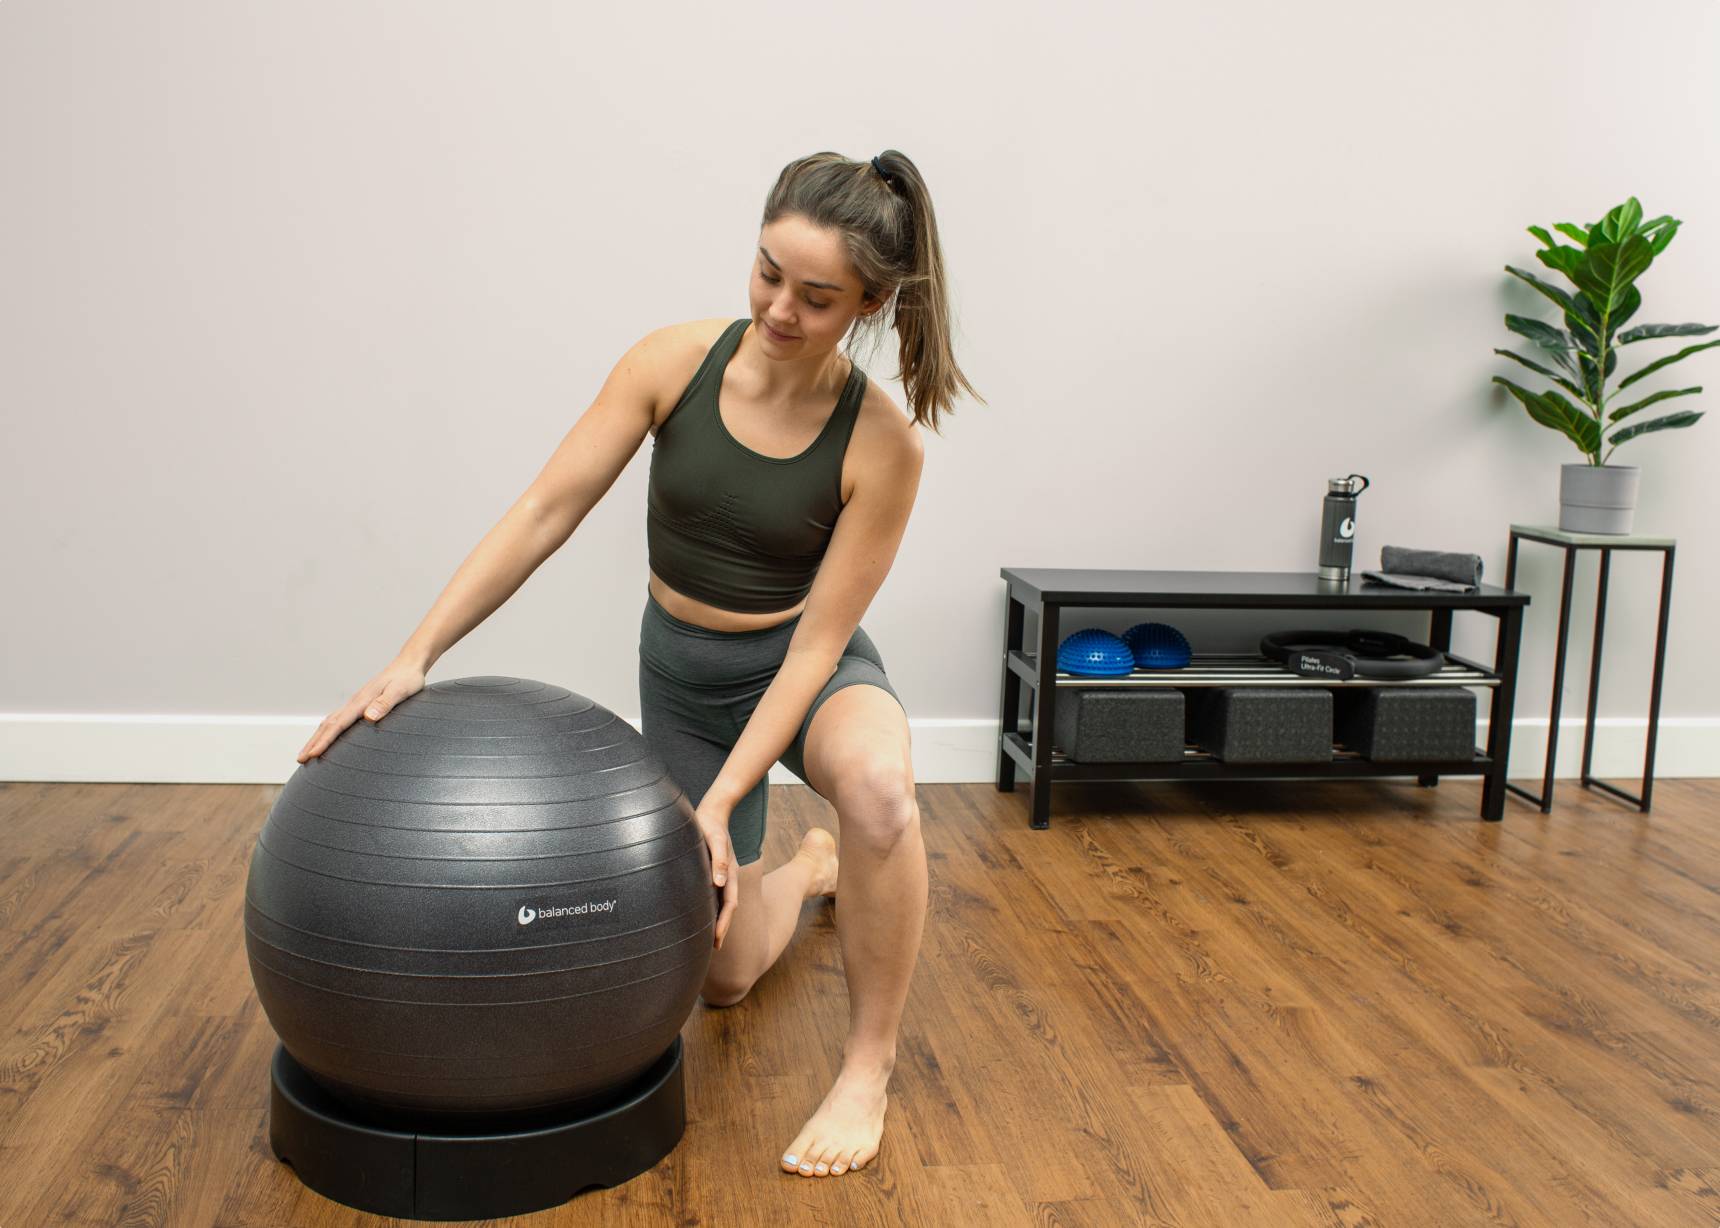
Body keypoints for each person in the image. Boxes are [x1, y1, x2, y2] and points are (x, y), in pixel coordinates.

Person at [295, 149, 983, 1180]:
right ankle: (808, 869)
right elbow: (542, 513)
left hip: (805, 672)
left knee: (882, 791)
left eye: (816, 295)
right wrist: (414, 655)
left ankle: (866, 1067)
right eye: (766, 273)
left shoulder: (884, 445)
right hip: (686, 683)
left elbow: (816, 645)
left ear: (871, 302)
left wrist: (724, 799)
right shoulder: (670, 363)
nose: (779, 308)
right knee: (726, 977)